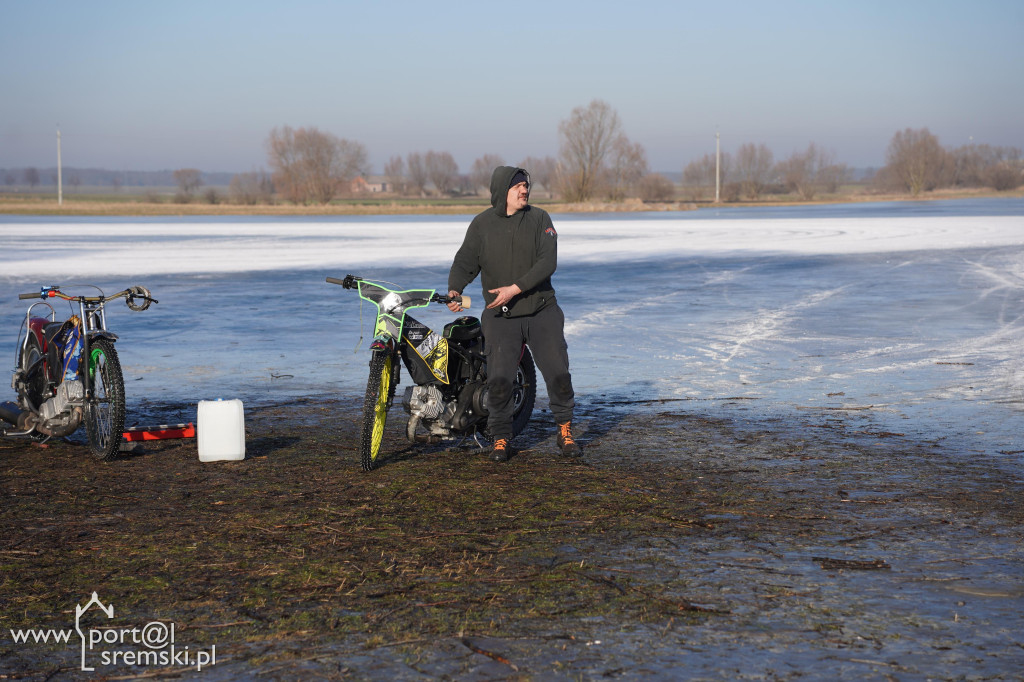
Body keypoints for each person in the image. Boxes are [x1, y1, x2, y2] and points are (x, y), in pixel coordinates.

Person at [447, 165, 579, 463]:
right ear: (502, 191)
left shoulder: (539, 218)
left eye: (526, 186)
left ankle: (565, 428)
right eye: (518, 186)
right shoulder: (481, 225)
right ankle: (501, 436)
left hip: (541, 310)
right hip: (500, 314)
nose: (525, 190)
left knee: (558, 372)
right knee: (500, 379)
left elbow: (548, 261)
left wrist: (515, 288)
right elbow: (465, 260)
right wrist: (454, 290)